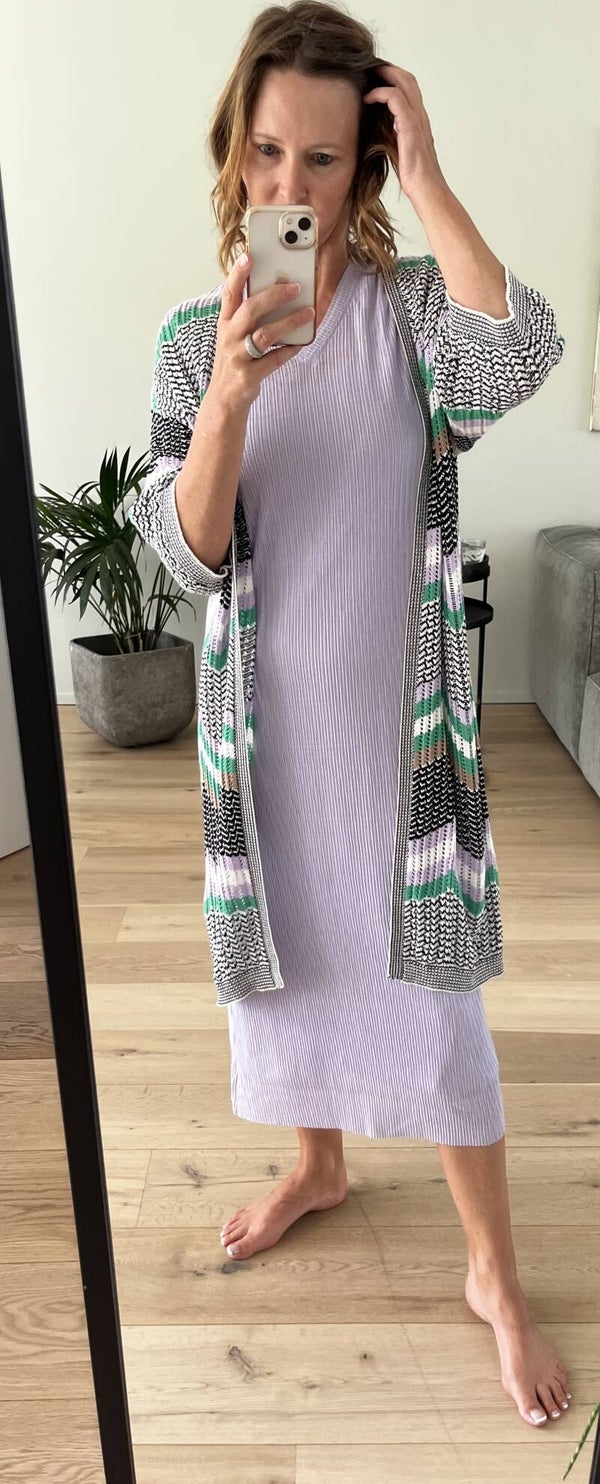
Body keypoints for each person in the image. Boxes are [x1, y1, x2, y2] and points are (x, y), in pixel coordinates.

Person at [130, 0, 571, 1432]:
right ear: (235, 152)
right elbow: (184, 556)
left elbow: (525, 350)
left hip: (399, 747)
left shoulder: (415, 320)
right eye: (269, 153)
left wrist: (431, 176)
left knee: (438, 1014)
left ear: (364, 167)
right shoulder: (196, 342)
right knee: (299, 967)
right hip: (264, 750)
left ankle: (493, 1271)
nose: (292, 187)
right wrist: (228, 403)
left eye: (325, 159)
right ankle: (319, 1165)